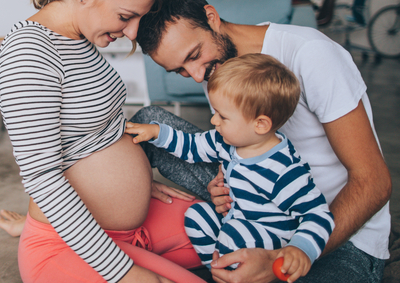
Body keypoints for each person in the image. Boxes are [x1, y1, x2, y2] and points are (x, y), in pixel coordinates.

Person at [130, 0, 392, 283]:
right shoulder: (215, 66)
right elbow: (237, 142)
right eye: (180, 71)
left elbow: (374, 182)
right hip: (255, 206)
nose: (197, 76)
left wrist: (284, 258)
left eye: (193, 55)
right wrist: (221, 176)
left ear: (212, 18)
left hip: (334, 231)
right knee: (147, 121)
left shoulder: (310, 54)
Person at [0, 0, 207, 283]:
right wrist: (124, 273)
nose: (133, 32)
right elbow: (42, 178)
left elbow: (94, 130)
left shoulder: (77, 36)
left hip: (126, 223)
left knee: (232, 240)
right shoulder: (29, 55)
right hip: (67, 244)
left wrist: (131, 185)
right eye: (126, 16)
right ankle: (34, 235)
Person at [126, 54, 335, 282]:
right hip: (235, 219)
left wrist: (301, 249)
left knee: (233, 236)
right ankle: (221, 271)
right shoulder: (226, 141)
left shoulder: (283, 170)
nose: (214, 121)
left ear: (260, 124)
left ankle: (233, 269)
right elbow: (192, 146)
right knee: (196, 216)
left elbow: (317, 214)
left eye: (222, 116)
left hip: (267, 238)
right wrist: (157, 133)